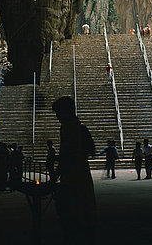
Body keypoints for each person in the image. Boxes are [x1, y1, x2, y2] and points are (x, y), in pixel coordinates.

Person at [51, 96, 96, 244]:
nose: (57, 117)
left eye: (58, 114)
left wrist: (54, 177)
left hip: (72, 175)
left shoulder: (68, 128)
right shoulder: (79, 127)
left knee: (72, 211)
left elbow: (67, 154)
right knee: (83, 208)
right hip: (81, 171)